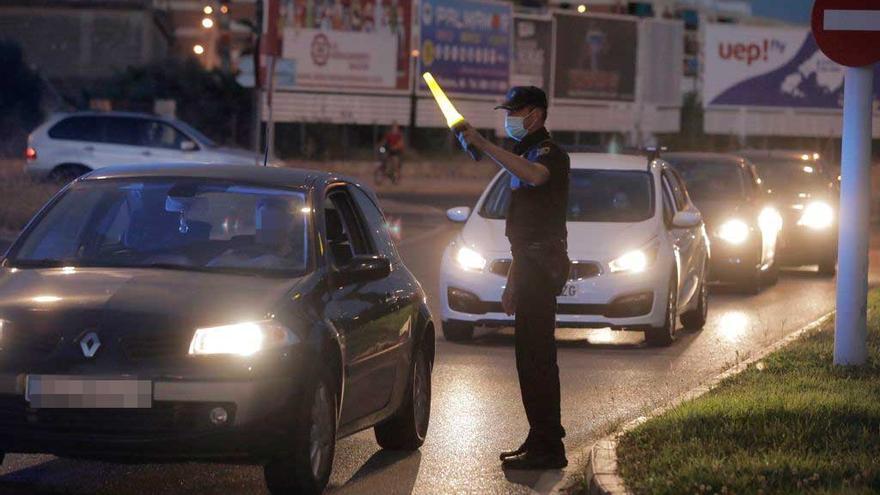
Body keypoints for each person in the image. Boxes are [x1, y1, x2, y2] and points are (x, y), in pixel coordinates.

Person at [457, 86, 571, 470]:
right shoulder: (524, 153)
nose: (509, 118)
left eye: (515, 111)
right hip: (529, 266)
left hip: (543, 267)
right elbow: (522, 233)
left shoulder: (549, 153)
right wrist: (512, 280)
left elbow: (536, 177)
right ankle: (539, 436)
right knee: (528, 358)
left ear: (536, 114)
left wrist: (484, 144)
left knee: (539, 358)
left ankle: (549, 444)